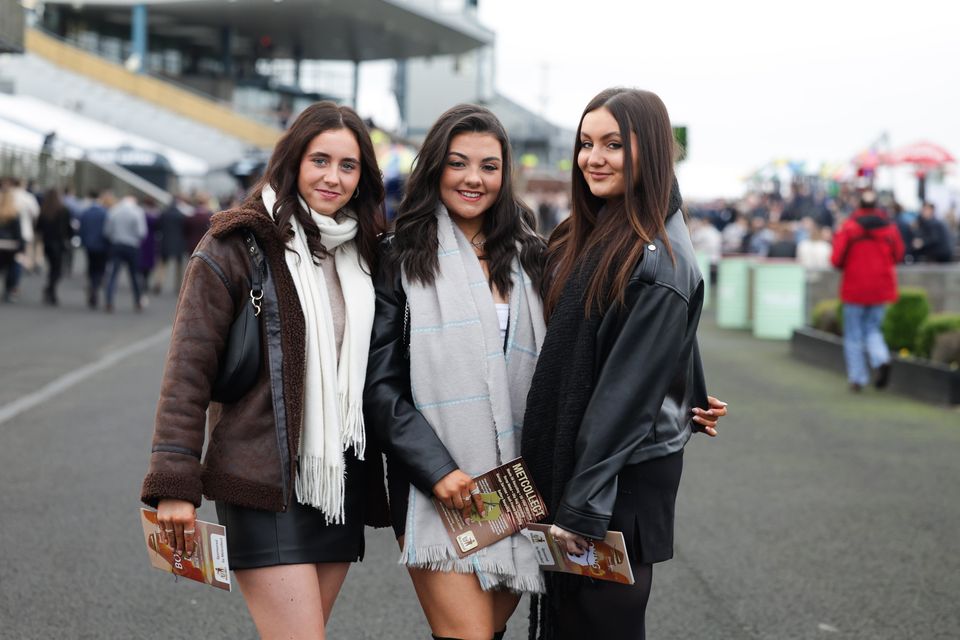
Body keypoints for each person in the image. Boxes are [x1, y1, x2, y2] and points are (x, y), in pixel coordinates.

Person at [141, 101, 388, 639]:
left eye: (348, 166)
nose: (333, 176)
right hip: (260, 477)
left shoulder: (366, 252)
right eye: (320, 159)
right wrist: (175, 482)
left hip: (336, 482)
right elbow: (188, 370)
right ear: (293, 160)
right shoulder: (236, 242)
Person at [521, 88, 725, 639]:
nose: (594, 158)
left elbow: (623, 400)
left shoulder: (657, 257)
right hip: (597, 469)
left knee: (600, 624)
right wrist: (690, 398)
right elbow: (658, 346)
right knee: (572, 623)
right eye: (586, 144)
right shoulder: (600, 232)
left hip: (617, 480)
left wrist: (580, 510)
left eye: (614, 144)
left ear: (651, 153)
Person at [364, 104, 549, 640]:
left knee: (486, 632)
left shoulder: (532, 256)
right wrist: (436, 469)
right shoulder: (398, 255)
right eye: (458, 163)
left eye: (489, 166)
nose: (474, 178)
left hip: (518, 485)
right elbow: (378, 382)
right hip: (437, 485)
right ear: (434, 168)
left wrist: (682, 395)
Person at [830, 190, 904, 392]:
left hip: (854, 288)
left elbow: (836, 259)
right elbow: (899, 254)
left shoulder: (849, 228)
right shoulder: (890, 229)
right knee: (873, 329)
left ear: (859, 206)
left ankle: (857, 378)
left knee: (854, 334)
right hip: (880, 287)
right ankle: (881, 358)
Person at [104, 194, 147, 312]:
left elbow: (107, 231)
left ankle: (109, 301)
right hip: (132, 246)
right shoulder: (137, 212)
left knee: (113, 274)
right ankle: (138, 301)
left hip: (116, 245)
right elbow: (141, 232)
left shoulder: (114, 211)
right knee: (134, 275)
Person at [36, 188, 73, 305]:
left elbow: (38, 228)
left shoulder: (44, 211)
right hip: (59, 244)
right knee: (57, 269)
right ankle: (51, 290)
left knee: (53, 268)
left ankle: (50, 289)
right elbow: (69, 228)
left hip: (47, 243)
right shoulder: (63, 210)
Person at [78, 190, 113, 309]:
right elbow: (108, 231)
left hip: (89, 246)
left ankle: (92, 285)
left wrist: (83, 242)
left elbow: (81, 230)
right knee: (100, 269)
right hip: (102, 246)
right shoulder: (105, 213)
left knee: (91, 267)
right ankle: (95, 286)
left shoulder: (86, 213)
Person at [152, 194, 188, 294]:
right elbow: (185, 230)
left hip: (165, 242)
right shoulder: (181, 215)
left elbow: (158, 227)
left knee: (162, 265)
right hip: (178, 244)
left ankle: (158, 283)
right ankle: (178, 287)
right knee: (179, 267)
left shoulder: (164, 214)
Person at [0, 180, 24, 302]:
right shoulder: (14, 214)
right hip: (11, 246)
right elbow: (18, 234)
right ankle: (9, 290)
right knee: (12, 269)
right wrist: (21, 249)